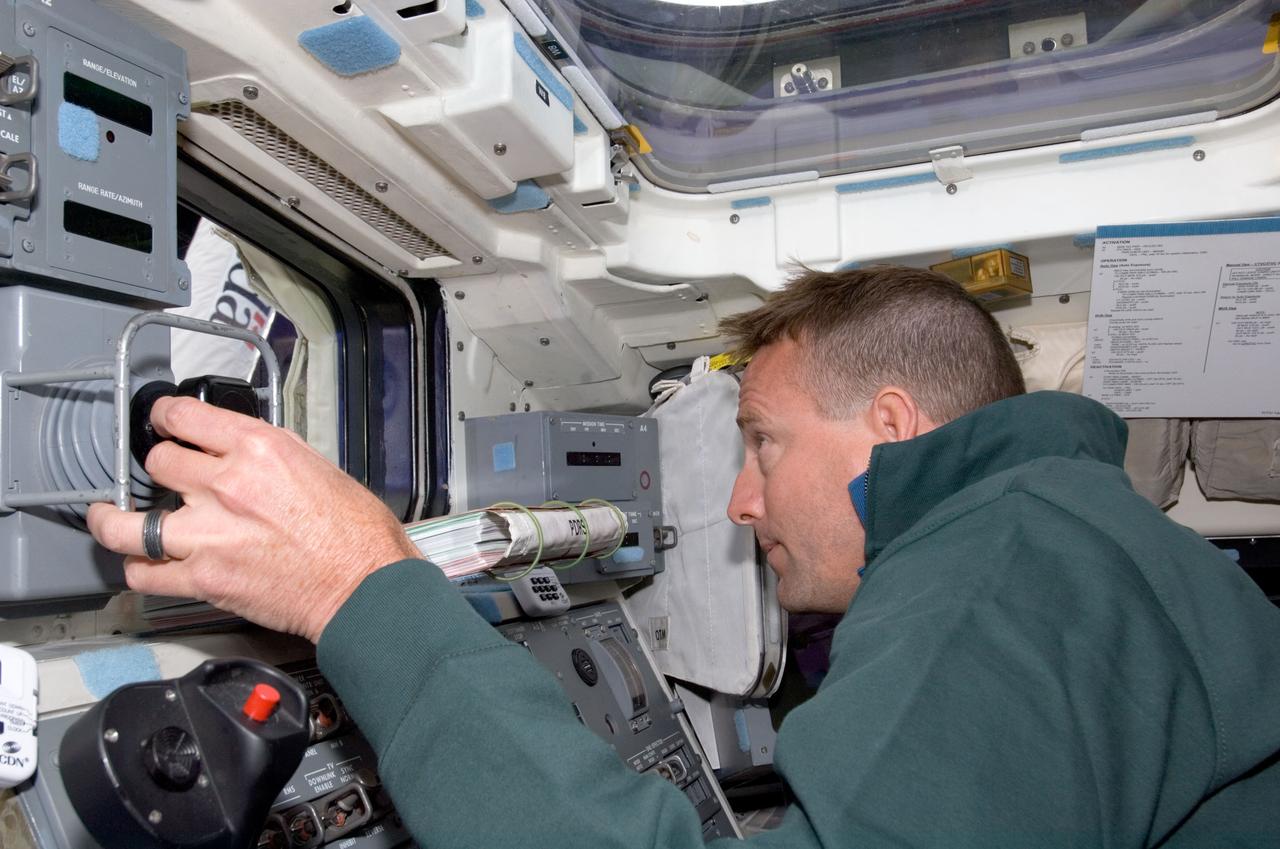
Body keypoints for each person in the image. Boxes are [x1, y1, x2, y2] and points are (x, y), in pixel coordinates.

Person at [88, 266, 1280, 848]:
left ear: (893, 426)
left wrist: (357, 588)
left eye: (762, 440)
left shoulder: (1000, 572)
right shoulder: (1072, 548)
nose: (741, 494)